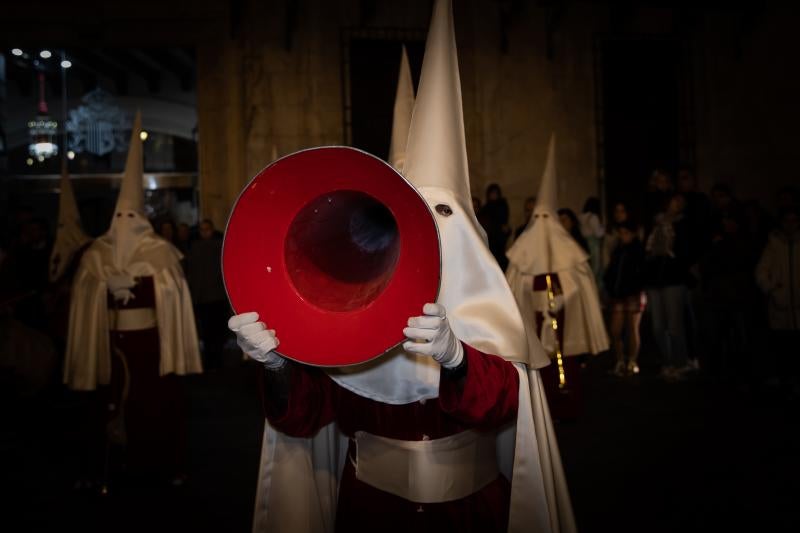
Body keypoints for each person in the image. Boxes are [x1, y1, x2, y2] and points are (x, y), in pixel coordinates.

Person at [232, 3, 576, 531]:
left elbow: (507, 407)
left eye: (441, 214)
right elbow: (304, 418)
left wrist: (457, 357)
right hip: (370, 510)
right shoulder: (350, 306)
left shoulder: (486, 312)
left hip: (471, 512)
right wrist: (278, 365)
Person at [64, 113, 202, 484]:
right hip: (107, 342)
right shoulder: (97, 252)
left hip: (151, 344)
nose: (125, 222)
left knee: (153, 406)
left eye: (131, 215)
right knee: (105, 404)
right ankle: (106, 465)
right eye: (119, 215)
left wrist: (141, 285)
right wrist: (102, 288)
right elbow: (82, 294)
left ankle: (157, 464)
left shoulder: (160, 251)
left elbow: (172, 294)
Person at [506, 135, 609, 420]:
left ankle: (569, 404)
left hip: (563, 319)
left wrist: (562, 300)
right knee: (540, 363)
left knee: (566, 363)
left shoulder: (569, 252)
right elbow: (515, 288)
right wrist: (536, 303)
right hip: (536, 321)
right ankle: (543, 407)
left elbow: (580, 284)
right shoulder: (522, 252)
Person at [643, 193, 693, 381]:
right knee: (658, 325)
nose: (676, 204)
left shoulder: (683, 225)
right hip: (655, 279)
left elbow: (684, 251)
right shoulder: (656, 224)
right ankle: (667, 361)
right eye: (674, 200)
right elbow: (647, 248)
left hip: (673, 278)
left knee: (674, 324)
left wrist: (676, 262)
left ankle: (679, 362)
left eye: (681, 202)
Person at [755, 207, 800, 393]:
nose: (790, 224)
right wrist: (772, 288)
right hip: (780, 306)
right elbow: (761, 272)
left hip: (799, 306)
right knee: (783, 345)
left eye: (794, 220)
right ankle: (786, 379)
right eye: (787, 220)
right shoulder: (773, 244)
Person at [603, 220, 646, 376]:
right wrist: (609, 286)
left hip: (633, 294)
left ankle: (632, 361)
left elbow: (641, 272)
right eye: (620, 233)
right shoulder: (618, 250)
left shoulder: (638, 250)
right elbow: (611, 271)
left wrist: (636, 286)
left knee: (632, 328)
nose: (623, 236)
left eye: (625, 233)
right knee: (615, 330)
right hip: (618, 295)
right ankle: (620, 360)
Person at [186, 219, 228, 371]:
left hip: (216, 296)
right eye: (202, 230)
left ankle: (217, 360)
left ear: (211, 230)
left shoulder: (219, 245)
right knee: (208, 331)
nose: (205, 232)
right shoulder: (195, 247)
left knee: (217, 330)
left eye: (207, 229)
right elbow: (192, 273)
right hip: (203, 297)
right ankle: (212, 360)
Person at [478, 183, 511, 270]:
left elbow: (504, 223)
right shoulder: (485, 208)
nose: (493, 195)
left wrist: (505, 230)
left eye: (495, 193)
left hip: (498, 241)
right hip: (489, 240)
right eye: (492, 193)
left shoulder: (502, 206)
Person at [579, 197, 605, 284]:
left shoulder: (581, 217)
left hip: (583, 242)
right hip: (593, 243)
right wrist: (603, 228)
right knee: (595, 267)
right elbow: (598, 233)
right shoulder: (593, 217)